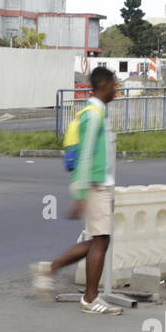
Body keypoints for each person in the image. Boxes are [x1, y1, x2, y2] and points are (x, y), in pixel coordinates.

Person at [30, 66, 123, 314]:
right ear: (104, 85)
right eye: (114, 84)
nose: (117, 89)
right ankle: (90, 299)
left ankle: (50, 269)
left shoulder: (98, 113)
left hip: (99, 184)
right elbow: (85, 157)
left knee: (98, 240)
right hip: (94, 186)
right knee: (100, 240)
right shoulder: (92, 115)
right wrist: (81, 194)